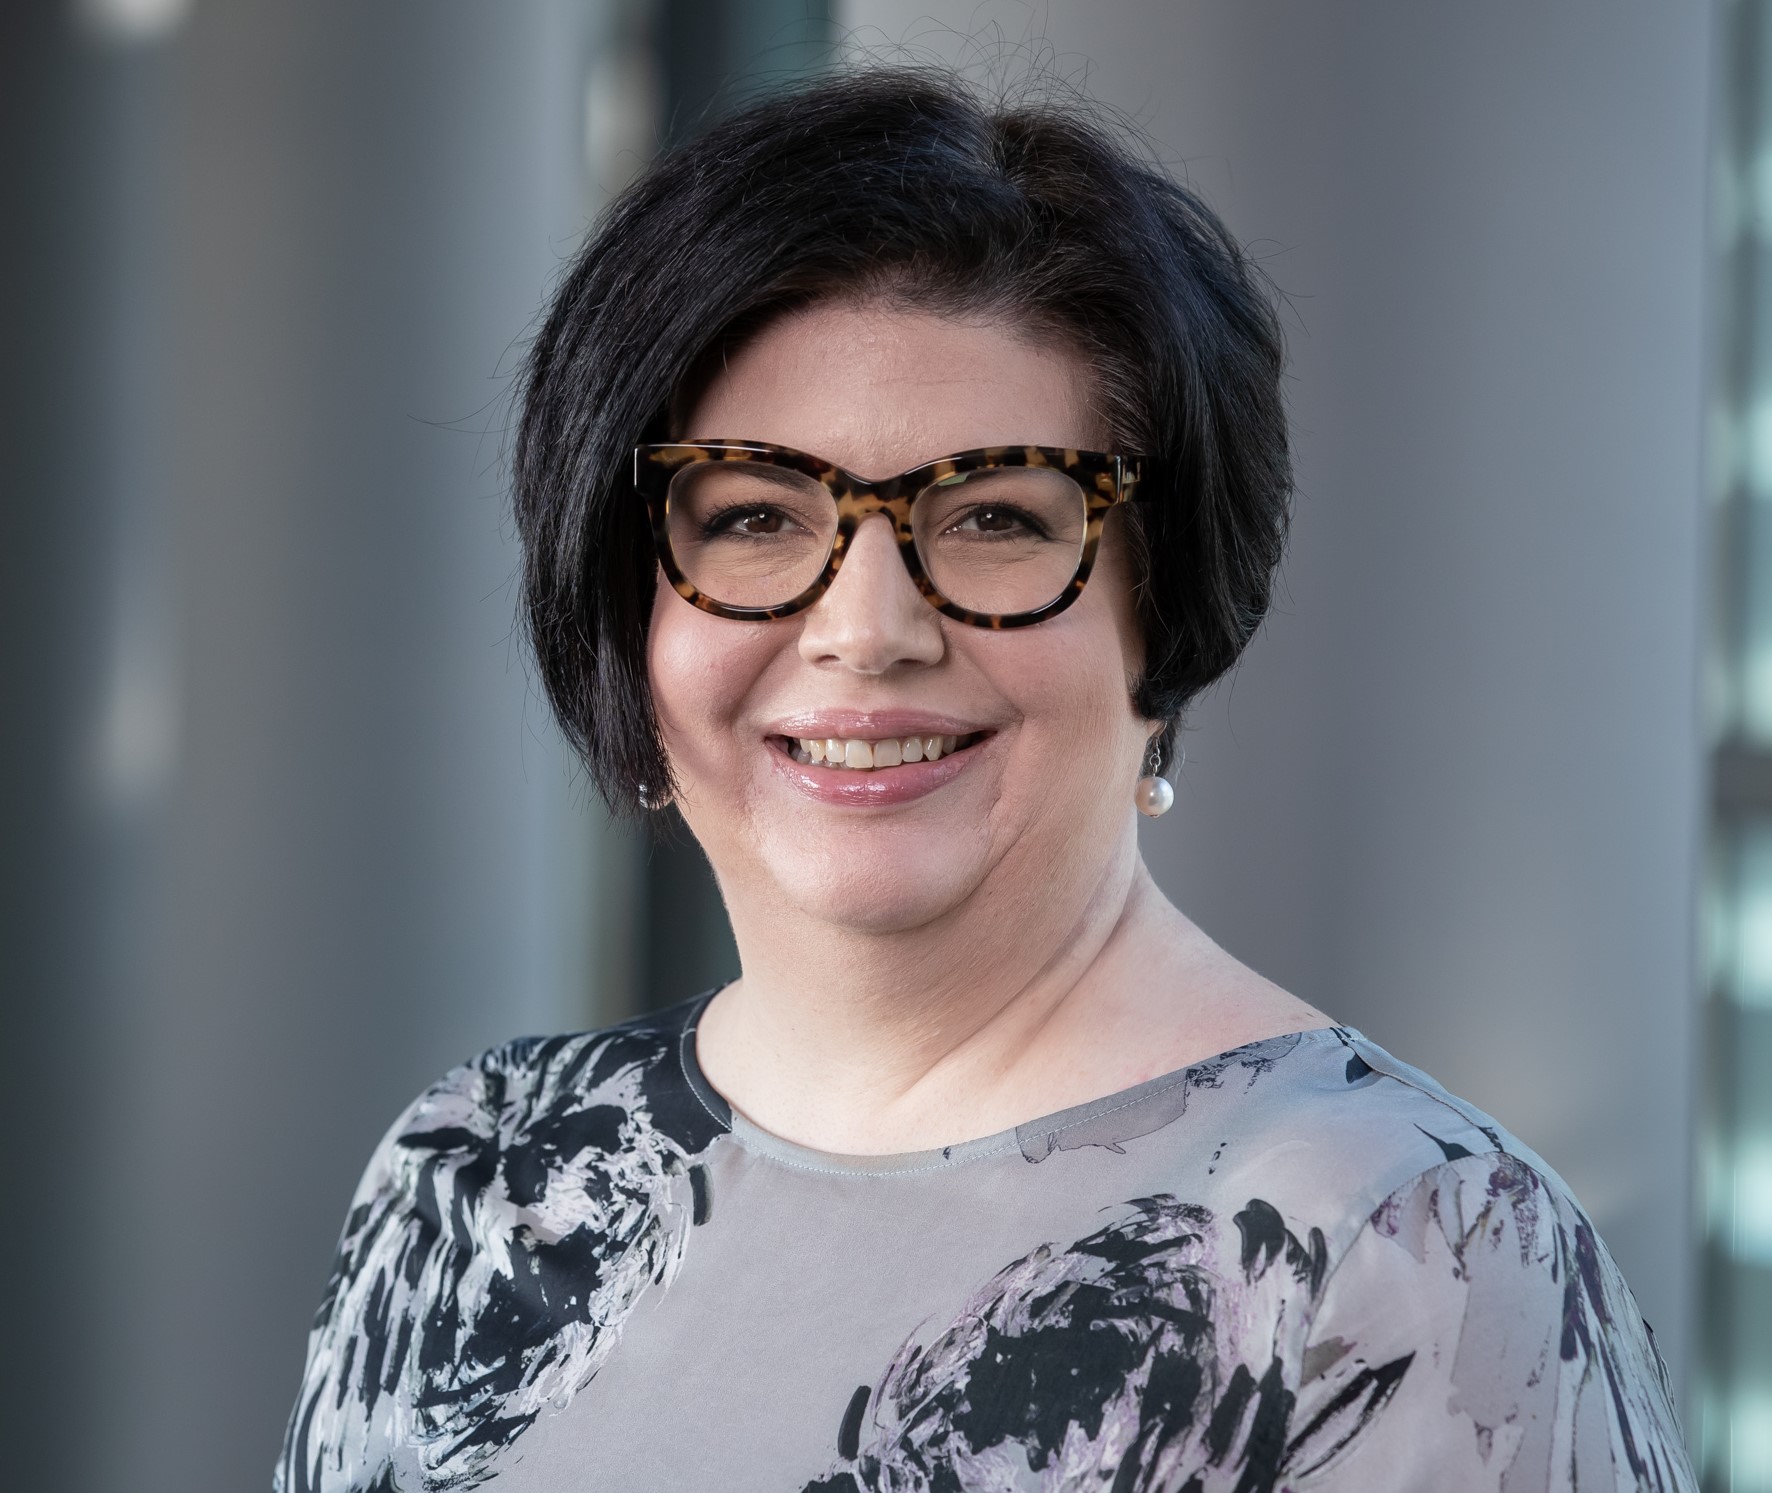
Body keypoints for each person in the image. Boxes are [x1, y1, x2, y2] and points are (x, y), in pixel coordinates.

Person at [274, 67, 1695, 1492]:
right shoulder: (473, 1172)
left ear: (1162, 612)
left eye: (997, 517)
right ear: (626, 605)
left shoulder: (1411, 1264)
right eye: (756, 516)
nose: (867, 629)